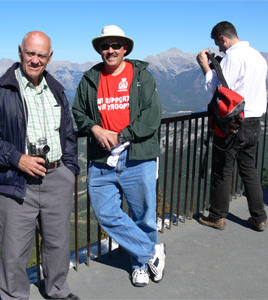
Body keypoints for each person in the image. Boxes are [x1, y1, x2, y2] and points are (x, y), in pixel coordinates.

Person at [0, 31, 80, 300]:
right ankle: (14, 297)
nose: (35, 60)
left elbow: (68, 133)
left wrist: (69, 170)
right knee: (14, 252)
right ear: (20, 52)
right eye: (30, 53)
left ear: (50, 57)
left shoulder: (56, 88)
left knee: (58, 243)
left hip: (57, 177)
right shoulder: (0, 89)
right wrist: (17, 159)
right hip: (16, 182)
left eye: (41, 55)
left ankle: (57, 290)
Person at [72, 25, 166, 287]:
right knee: (105, 213)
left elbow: (152, 116)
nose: (110, 50)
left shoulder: (141, 76)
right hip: (102, 160)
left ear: (125, 48)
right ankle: (151, 253)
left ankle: (139, 265)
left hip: (137, 156)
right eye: (105, 46)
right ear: (100, 50)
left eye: (115, 45)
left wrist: (123, 135)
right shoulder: (90, 78)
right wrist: (94, 128)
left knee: (143, 215)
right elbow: (78, 111)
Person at [196, 21, 268, 231]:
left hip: (234, 122)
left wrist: (205, 67)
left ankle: (217, 216)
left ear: (223, 39)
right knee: (249, 170)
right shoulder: (258, 56)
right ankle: (259, 217)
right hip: (254, 121)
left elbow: (218, 90)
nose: (219, 49)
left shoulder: (233, 58)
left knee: (222, 169)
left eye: (218, 44)